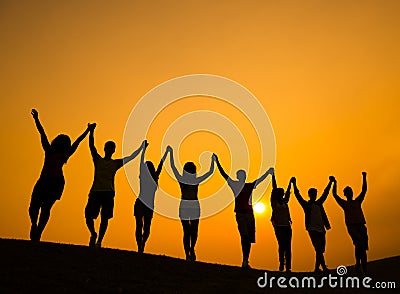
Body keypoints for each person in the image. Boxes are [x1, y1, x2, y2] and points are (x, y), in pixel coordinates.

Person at [29, 109, 92, 241]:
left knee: (45, 208)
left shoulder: (64, 155)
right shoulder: (49, 151)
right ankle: (35, 225)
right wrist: (36, 119)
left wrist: (87, 131)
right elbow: (42, 134)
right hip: (45, 181)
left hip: (55, 183)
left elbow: (77, 142)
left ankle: (39, 230)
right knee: (34, 206)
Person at [85, 124, 144, 247]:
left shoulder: (115, 163)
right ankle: (93, 234)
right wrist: (91, 132)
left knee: (104, 218)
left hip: (108, 192)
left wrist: (141, 148)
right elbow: (91, 147)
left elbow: (130, 157)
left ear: (113, 150)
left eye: (112, 148)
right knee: (88, 216)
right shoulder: (98, 160)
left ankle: (99, 240)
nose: (109, 149)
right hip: (96, 191)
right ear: (105, 148)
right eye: (108, 147)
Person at [214, 154, 274, 268]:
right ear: (238, 177)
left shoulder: (249, 185)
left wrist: (268, 172)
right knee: (244, 236)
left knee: (249, 238)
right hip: (241, 213)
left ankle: (246, 259)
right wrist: (217, 162)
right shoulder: (235, 185)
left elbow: (260, 179)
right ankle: (245, 260)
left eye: (244, 175)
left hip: (250, 214)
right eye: (240, 175)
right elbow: (224, 175)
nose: (242, 177)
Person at [167, 146, 215, 261]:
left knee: (190, 231)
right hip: (191, 206)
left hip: (188, 206)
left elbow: (173, 167)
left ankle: (190, 251)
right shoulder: (190, 180)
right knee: (191, 230)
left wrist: (171, 154)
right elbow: (210, 172)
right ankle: (189, 251)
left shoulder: (188, 180)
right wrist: (213, 161)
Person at [292, 176, 334, 273]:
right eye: (313, 194)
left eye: (315, 194)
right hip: (312, 229)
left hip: (321, 229)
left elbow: (325, 193)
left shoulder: (319, 203)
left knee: (321, 250)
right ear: (309, 195)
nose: (314, 195)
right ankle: (320, 268)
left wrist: (330, 183)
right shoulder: (306, 205)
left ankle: (319, 268)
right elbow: (297, 195)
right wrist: (294, 184)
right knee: (318, 249)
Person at [134, 142, 168, 253]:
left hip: (144, 204)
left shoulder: (150, 177)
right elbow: (160, 164)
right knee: (142, 225)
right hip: (144, 204)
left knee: (142, 226)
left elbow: (159, 165)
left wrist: (144, 149)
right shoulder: (152, 177)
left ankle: (141, 245)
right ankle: (141, 245)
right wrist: (166, 153)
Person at [332, 172, 368, 273]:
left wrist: (364, 177)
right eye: (347, 192)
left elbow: (364, 190)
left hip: (361, 225)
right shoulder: (344, 204)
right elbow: (334, 195)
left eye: (350, 191)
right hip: (352, 226)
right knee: (359, 244)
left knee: (362, 246)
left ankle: (361, 266)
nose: (349, 193)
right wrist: (335, 183)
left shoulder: (357, 201)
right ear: (345, 194)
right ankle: (360, 265)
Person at [270, 172, 293, 272]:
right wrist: (273, 176)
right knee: (281, 245)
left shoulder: (284, 202)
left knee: (288, 246)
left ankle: (288, 267)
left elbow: (288, 194)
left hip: (287, 226)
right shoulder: (274, 202)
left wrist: (290, 183)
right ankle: (281, 264)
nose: (282, 194)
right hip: (278, 226)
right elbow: (274, 187)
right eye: (280, 192)